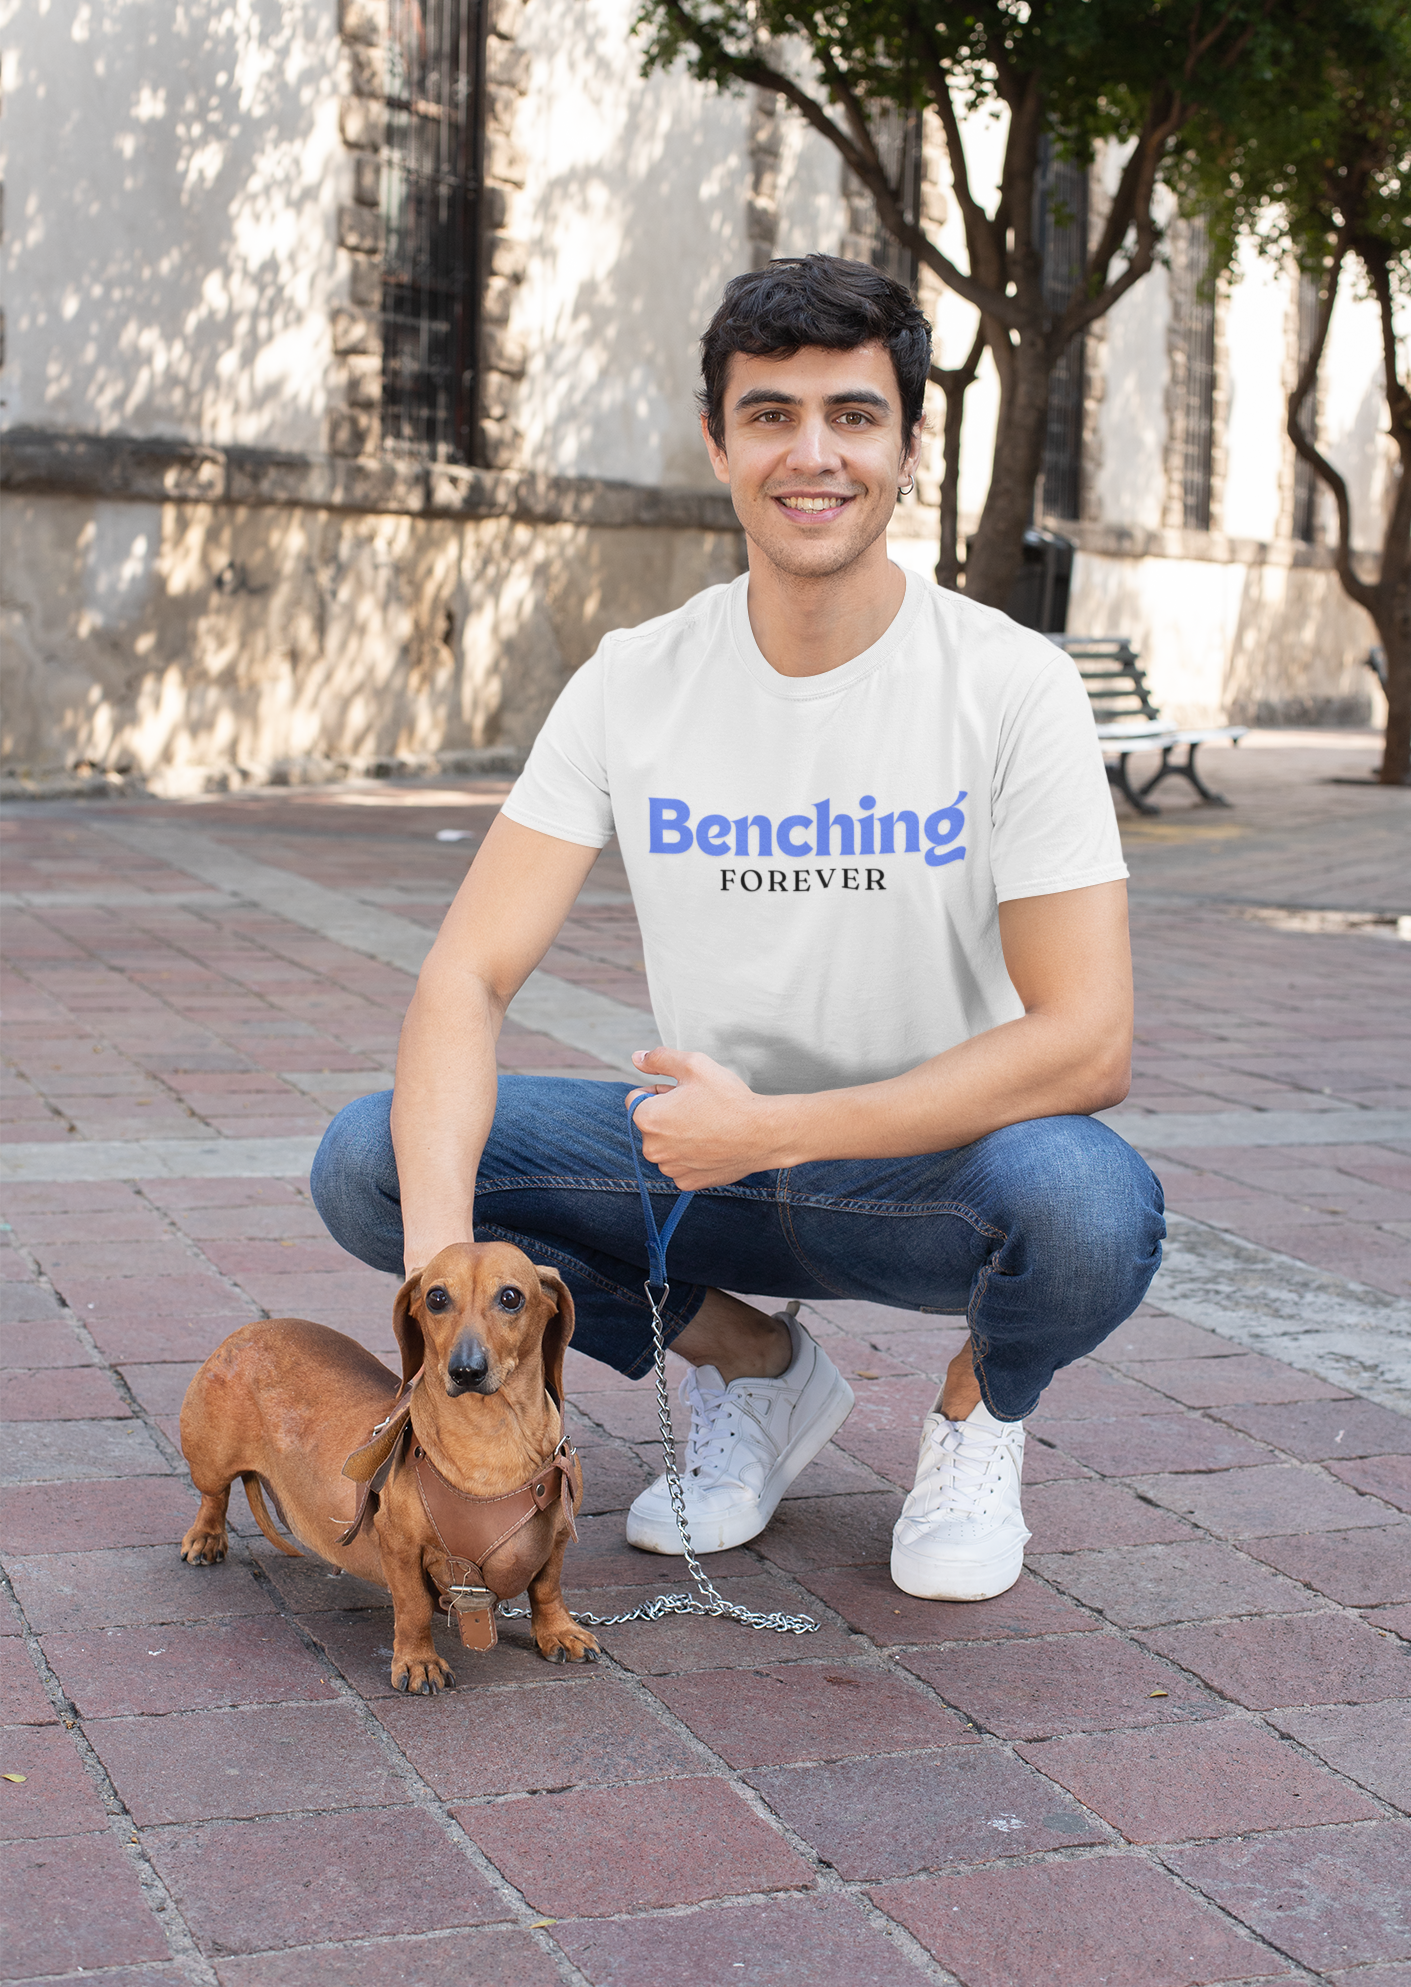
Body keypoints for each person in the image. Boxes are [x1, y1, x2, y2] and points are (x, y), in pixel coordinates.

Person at [311, 253, 1165, 1603]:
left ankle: (975, 1410)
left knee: (1089, 1201)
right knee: (372, 1158)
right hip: (694, 1158)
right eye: (771, 414)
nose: (811, 453)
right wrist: (442, 1292)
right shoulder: (636, 679)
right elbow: (465, 976)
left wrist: (780, 1128)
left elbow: (1089, 1040)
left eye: (852, 414)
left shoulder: (1012, 685)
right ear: (718, 440)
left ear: (906, 445)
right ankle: (755, 1372)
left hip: (921, 1170)